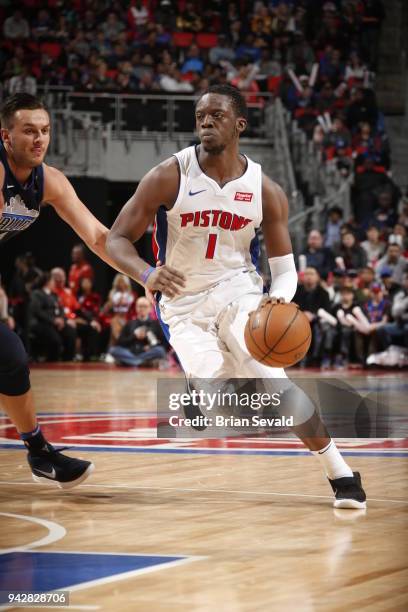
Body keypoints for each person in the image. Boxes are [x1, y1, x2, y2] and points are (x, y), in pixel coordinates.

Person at [107, 84, 366, 509]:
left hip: (238, 292)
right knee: (223, 402)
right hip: (183, 302)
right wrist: (146, 272)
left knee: (274, 381)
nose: (206, 122)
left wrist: (277, 301)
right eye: (200, 117)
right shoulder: (170, 175)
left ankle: (340, 473)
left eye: (217, 116)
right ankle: (198, 387)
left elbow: (284, 271)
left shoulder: (265, 189)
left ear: (239, 124)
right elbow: (117, 239)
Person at [0, 93, 120, 488]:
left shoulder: (49, 181)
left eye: (45, 131)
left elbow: (99, 238)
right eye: (29, 131)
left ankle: (39, 454)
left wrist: (146, 277)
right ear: (5, 136)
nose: (39, 139)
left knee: (12, 359)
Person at [108, 296, 167, 367]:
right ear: (136, 308)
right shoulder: (130, 323)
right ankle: (141, 362)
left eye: (145, 306)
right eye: (140, 306)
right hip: (131, 351)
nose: (142, 309)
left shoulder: (156, 324)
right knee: (113, 350)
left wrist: (150, 346)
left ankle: (131, 362)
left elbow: (164, 343)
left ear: (150, 308)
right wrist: (134, 336)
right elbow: (120, 342)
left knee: (160, 350)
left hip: (147, 352)